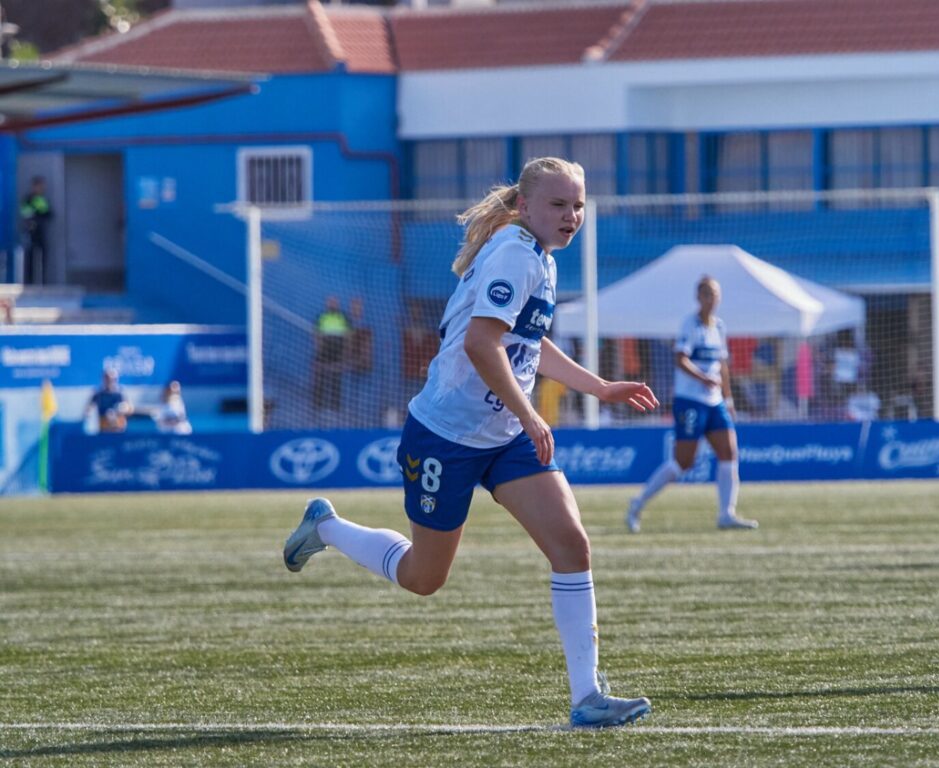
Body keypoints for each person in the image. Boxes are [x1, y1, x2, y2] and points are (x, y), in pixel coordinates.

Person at [283, 157, 658, 729]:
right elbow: (484, 346)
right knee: (423, 578)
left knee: (571, 546)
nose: (572, 215)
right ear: (526, 206)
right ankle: (327, 527)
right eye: (559, 205)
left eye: (578, 204)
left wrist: (599, 386)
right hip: (446, 437)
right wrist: (531, 414)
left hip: (504, 437)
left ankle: (586, 697)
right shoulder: (515, 253)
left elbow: (527, 344)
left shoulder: (539, 256)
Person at [625, 275, 758, 533]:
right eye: (707, 294)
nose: (712, 299)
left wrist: (728, 398)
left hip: (714, 402)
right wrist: (704, 378)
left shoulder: (719, 327)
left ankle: (726, 513)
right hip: (690, 402)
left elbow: (723, 366)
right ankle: (638, 502)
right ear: (699, 297)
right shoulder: (690, 324)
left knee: (729, 452)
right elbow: (680, 360)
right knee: (683, 462)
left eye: (715, 294)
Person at [312, 295, 351, 415]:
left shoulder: (343, 317)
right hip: (324, 348)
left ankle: (335, 407)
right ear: (327, 304)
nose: (332, 304)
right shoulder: (321, 316)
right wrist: (318, 349)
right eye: (330, 302)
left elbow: (348, 336)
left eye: (334, 302)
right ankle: (317, 406)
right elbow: (316, 334)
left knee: (336, 378)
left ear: (337, 304)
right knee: (320, 377)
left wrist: (345, 352)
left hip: (338, 349)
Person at [19, 176, 52, 285]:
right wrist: (37, 212)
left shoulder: (42, 199)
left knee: (43, 258)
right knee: (29, 259)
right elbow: (26, 214)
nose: (41, 188)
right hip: (30, 234)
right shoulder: (28, 199)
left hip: (41, 233)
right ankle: (29, 283)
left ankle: (43, 282)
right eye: (39, 186)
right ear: (34, 186)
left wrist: (38, 212)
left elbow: (49, 214)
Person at [84, 367, 133, 433]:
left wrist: (122, 409)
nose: (110, 381)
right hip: (104, 430)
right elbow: (88, 410)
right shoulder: (98, 394)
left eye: (113, 379)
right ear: (104, 379)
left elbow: (130, 409)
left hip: (119, 429)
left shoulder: (120, 393)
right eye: (108, 379)